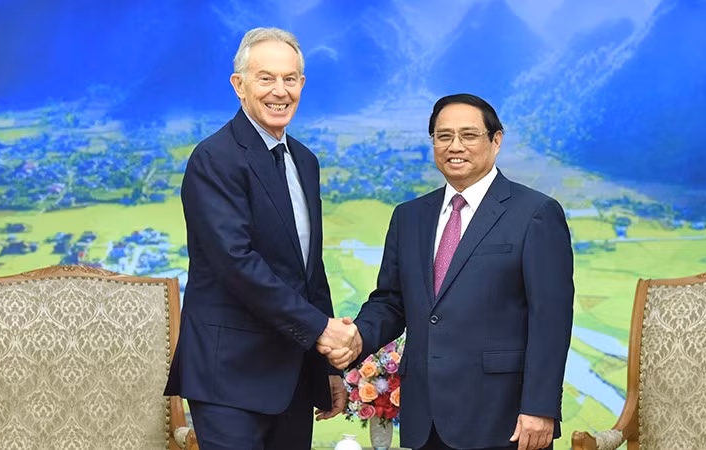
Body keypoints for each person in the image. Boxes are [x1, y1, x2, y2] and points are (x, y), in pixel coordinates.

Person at [321, 94, 574, 450]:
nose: (455, 146)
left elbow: (551, 320)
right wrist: (358, 337)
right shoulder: (409, 217)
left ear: (496, 140)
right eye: (444, 136)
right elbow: (392, 303)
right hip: (426, 419)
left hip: (504, 420)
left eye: (469, 135)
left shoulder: (536, 213)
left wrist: (540, 408)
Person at [164, 27, 356, 450]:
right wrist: (322, 330)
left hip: (291, 375)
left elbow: (309, 271)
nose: (279, 91)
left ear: (302, 85)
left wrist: (327, 368)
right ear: (239, 85)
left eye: (290, 79)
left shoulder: (304, 161)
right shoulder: (214, 159)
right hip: (230, 379)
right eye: (265, 77)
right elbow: (237, 263)